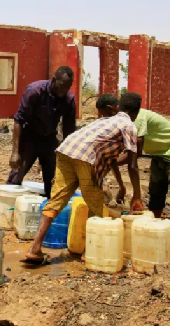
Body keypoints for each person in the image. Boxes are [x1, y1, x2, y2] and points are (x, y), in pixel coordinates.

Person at [23, 103, 143, 264]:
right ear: (136, 112)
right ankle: (89, 251)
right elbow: (133, 165)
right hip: (86, 156)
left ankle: (34, 248)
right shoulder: (130, 126)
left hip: (66, 149)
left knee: (56, 200)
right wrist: (137, 194)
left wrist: (121, 185)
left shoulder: (105, 121)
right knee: (96, 206)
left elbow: (112, 160)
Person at [117, 93, 170, 251]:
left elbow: (135, 153)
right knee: (156, 193)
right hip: (159, 155)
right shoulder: (127, 118)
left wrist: (111, 162)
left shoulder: (138, 118)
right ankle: (154, 229)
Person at [8, 66, 77, 197]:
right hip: (29, 137)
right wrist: (15, 152)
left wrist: (67, 155)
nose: (63, 91)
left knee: (52, 178)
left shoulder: (69, 99)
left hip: (49, 139)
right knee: (17, 174)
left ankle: (48, 210)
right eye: (61, 86)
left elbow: (69, 129)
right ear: (54, 80)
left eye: (67, 87)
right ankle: (8, 205)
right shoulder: (35, 91)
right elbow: (19, 120)